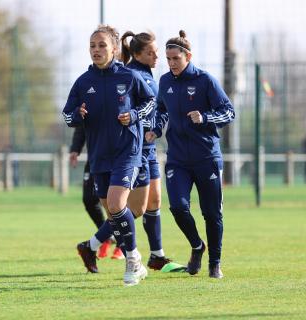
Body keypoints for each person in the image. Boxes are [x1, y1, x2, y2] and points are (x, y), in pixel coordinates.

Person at [62, 25, 155, 286]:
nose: (96, 50)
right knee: (113, 211)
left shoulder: (129, 77)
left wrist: (134, 115)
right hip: (99, 156)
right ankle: (135, 257)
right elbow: (67, 115)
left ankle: (131, 261)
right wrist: (76, 115)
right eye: (92, 45)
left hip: (128, 152)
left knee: (115, 204)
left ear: (114, 49)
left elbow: (149, 103)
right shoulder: (83, 82)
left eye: (102, 45)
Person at [147, 30, 235, 279]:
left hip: (206, 157)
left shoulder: (205, 80)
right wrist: (155, 129)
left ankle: (214, 264)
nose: (171, 63)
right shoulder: (164, 81)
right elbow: (162, 110)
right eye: (168, 58)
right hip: (177, 158)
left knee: (211, 213)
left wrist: (205, 117)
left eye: (175, 58)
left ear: (188, 56)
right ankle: (197, 246)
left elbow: (228, 112)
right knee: (177, 207)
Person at [121, 30, 173, 271]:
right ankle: (92, 244)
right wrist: (145, 129)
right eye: (151, 53)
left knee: (155, 200)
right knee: (136, 209)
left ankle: (157, 256)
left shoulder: (149, 75)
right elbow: (128, 113)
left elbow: (158, 109)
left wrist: (157, 129)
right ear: (137, 54)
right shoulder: (131, 75)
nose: (156, 57)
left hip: (150, 147)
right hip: (137, 149)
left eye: (156, 52)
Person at [69, 126, 124, 259]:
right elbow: (82, 124)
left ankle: (122, 245)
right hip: (95, 157)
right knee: (89, 199)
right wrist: (75, 149)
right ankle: (108, 236)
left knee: (117, 203)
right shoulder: (88, 105)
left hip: (119, 157)